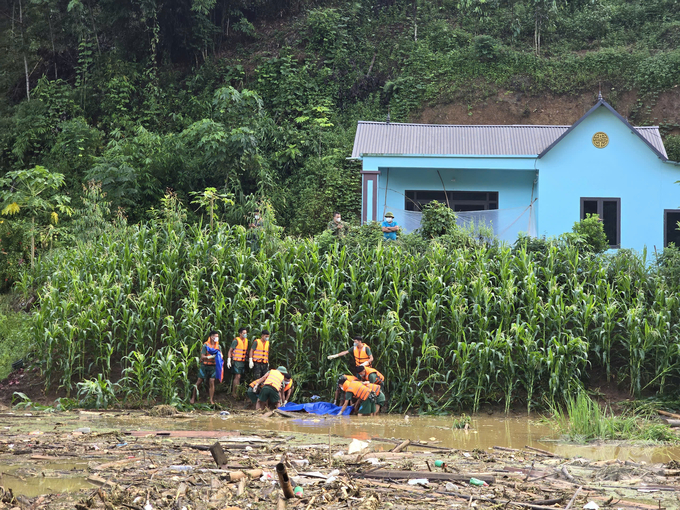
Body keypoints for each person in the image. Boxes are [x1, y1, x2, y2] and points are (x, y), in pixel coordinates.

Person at [190, 330, 222, 405]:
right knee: (199, 381)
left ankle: (211, 400)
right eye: (216, 336)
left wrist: (218, 356)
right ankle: (193, 397)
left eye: (218, 336)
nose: (217, 338)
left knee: (212, 381)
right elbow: (202, 356)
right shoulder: (206, 345)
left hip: (213, 366)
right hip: (205, 365)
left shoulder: (218, 346)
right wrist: (209, 357)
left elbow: (221, 355)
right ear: (211, 337)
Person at [227, 327, 249, 398]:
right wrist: (229, 360)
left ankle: (237, 392)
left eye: (246, 333)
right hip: (236, 361)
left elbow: (246, 351)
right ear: (240, 333)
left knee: (239, 377)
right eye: (244, 333)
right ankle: (234, 393)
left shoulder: (246, 341)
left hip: (242, 361)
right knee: (237, 376)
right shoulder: (236, 341)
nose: (245, 334)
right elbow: (230, 350)